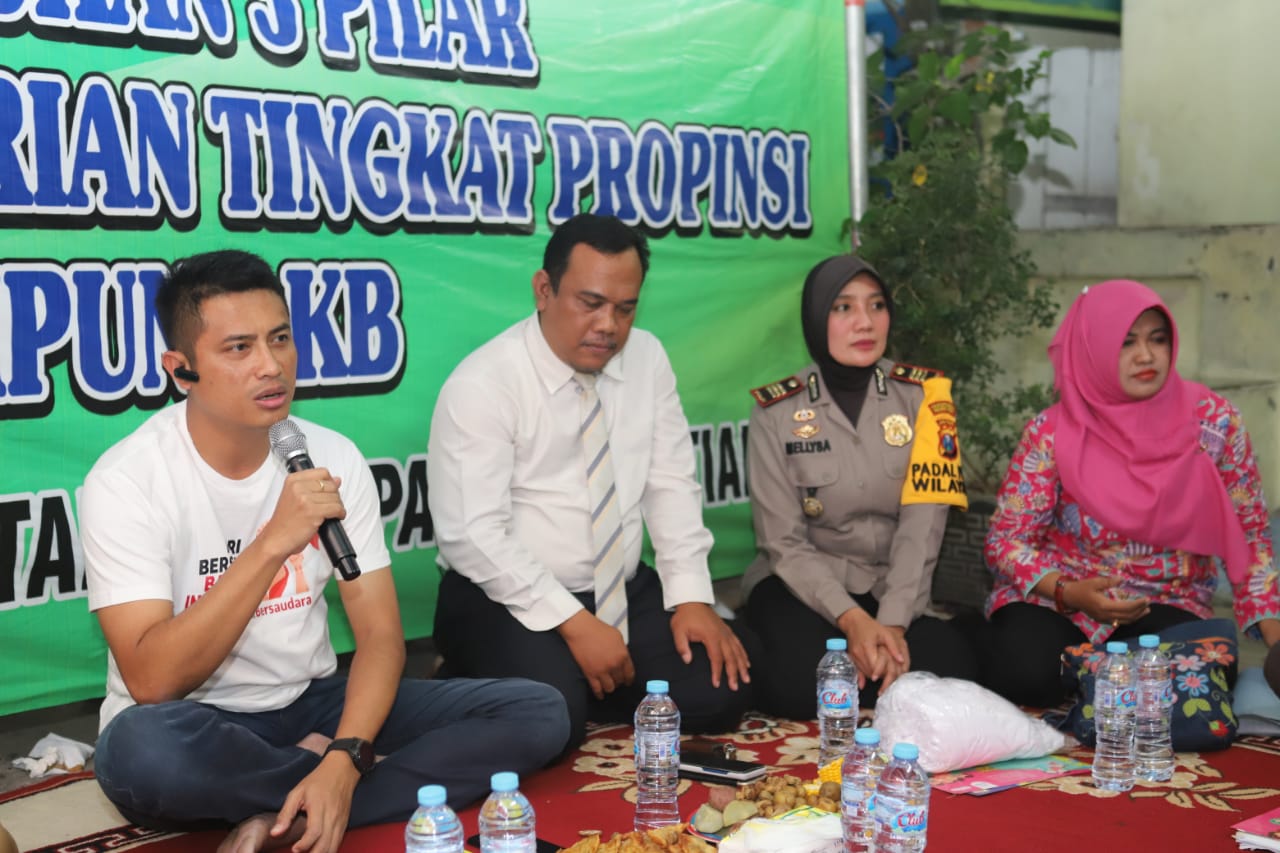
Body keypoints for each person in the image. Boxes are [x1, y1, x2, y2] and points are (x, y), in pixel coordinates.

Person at [82, 250, 568, 853]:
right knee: (139, 753)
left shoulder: (331, 455)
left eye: (280, 338)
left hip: (310, 704)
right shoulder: (127, 480)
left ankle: (296, 804)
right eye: (239, 348)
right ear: (181, 371)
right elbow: (153, 680)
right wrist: (272, 542)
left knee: (537, 710)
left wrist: (345, 754)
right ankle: (324, 790)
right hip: (197, 720)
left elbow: (381, 637)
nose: (271, 366)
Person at [428, 213, 755, 749]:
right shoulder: (483, 384)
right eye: (591, 303)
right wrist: (574, 624)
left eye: (625, 308)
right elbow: (472, 536)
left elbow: (670, 483)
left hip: (619, 590)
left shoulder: (647, 358)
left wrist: (692, 597)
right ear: (544, 290)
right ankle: (491, 676)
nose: (609, 325)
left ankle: (583, 680)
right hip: (503, 595)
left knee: (722, 688)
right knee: (551, 717)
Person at [983, 279, 1280, 707]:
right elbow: (1006, 540)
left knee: (1190, 683)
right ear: (1094, 348)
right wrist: (1069, 591)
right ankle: (1101, 684)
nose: (1146, 356)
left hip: (1165, 601)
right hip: (1062, 599)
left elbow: (1249, 533)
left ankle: (1096, 684)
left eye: (1158, 339)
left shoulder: (1213, 422)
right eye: (1126, 342)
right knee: (1024, 674)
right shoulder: (1053, 431)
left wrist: (1275, 640)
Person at [741, 255, 978, 718]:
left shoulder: (926, 399)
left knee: (956, 672)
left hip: (893, 584)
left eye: (876, 305)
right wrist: (851, 621)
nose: (865, 322)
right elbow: (783, 542)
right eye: (843, 308)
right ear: (816, 319)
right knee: (797, 684)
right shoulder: (776, 412)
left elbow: (923, 527)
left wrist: (891, 625)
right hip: (805, 585)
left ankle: (879, 671)